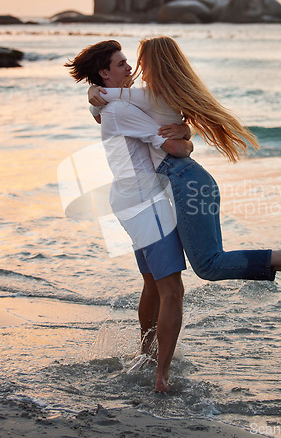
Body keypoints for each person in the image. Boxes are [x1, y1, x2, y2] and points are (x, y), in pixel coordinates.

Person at [88, 36, 281, 293]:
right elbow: (108, 108)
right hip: (190, 176)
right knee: (208, 263)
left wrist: (92, 93)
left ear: (155, 63)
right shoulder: (164, 94)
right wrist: (185, 132)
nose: (135, 68)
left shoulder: (148, 96)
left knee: (209, 265)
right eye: (128, 63)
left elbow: (102, 99)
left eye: (140, 61)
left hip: (184, 179)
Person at [65, 41, 193, 392]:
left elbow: (108, 103)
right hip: (144, 202)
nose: (130, 69)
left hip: (129, 199)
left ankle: (148, 355)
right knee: (172, 290)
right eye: (122, 64)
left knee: (153, 283)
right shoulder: (120, 109)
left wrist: (184, 129)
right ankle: (161, 375)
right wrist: (186, 138)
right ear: (105, 72)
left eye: (128, 63)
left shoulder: (112, 102)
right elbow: (175, 148)